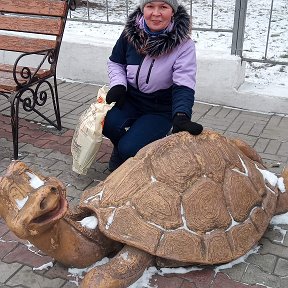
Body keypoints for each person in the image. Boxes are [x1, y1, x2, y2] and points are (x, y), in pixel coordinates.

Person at [103, 0, 203, 172]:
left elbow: (183, 83)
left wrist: (181, 114)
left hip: (160, 108)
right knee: (107, 124)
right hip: (132, 99)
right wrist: (119, 85)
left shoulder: (183, 45)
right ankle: (120, 151)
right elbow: (116, 62)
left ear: (172, 11)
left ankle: (127, 153)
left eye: (163, 7)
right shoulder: (130, 34)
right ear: (143, 10)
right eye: (150, 6)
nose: (156, 13)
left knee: (129, 148)